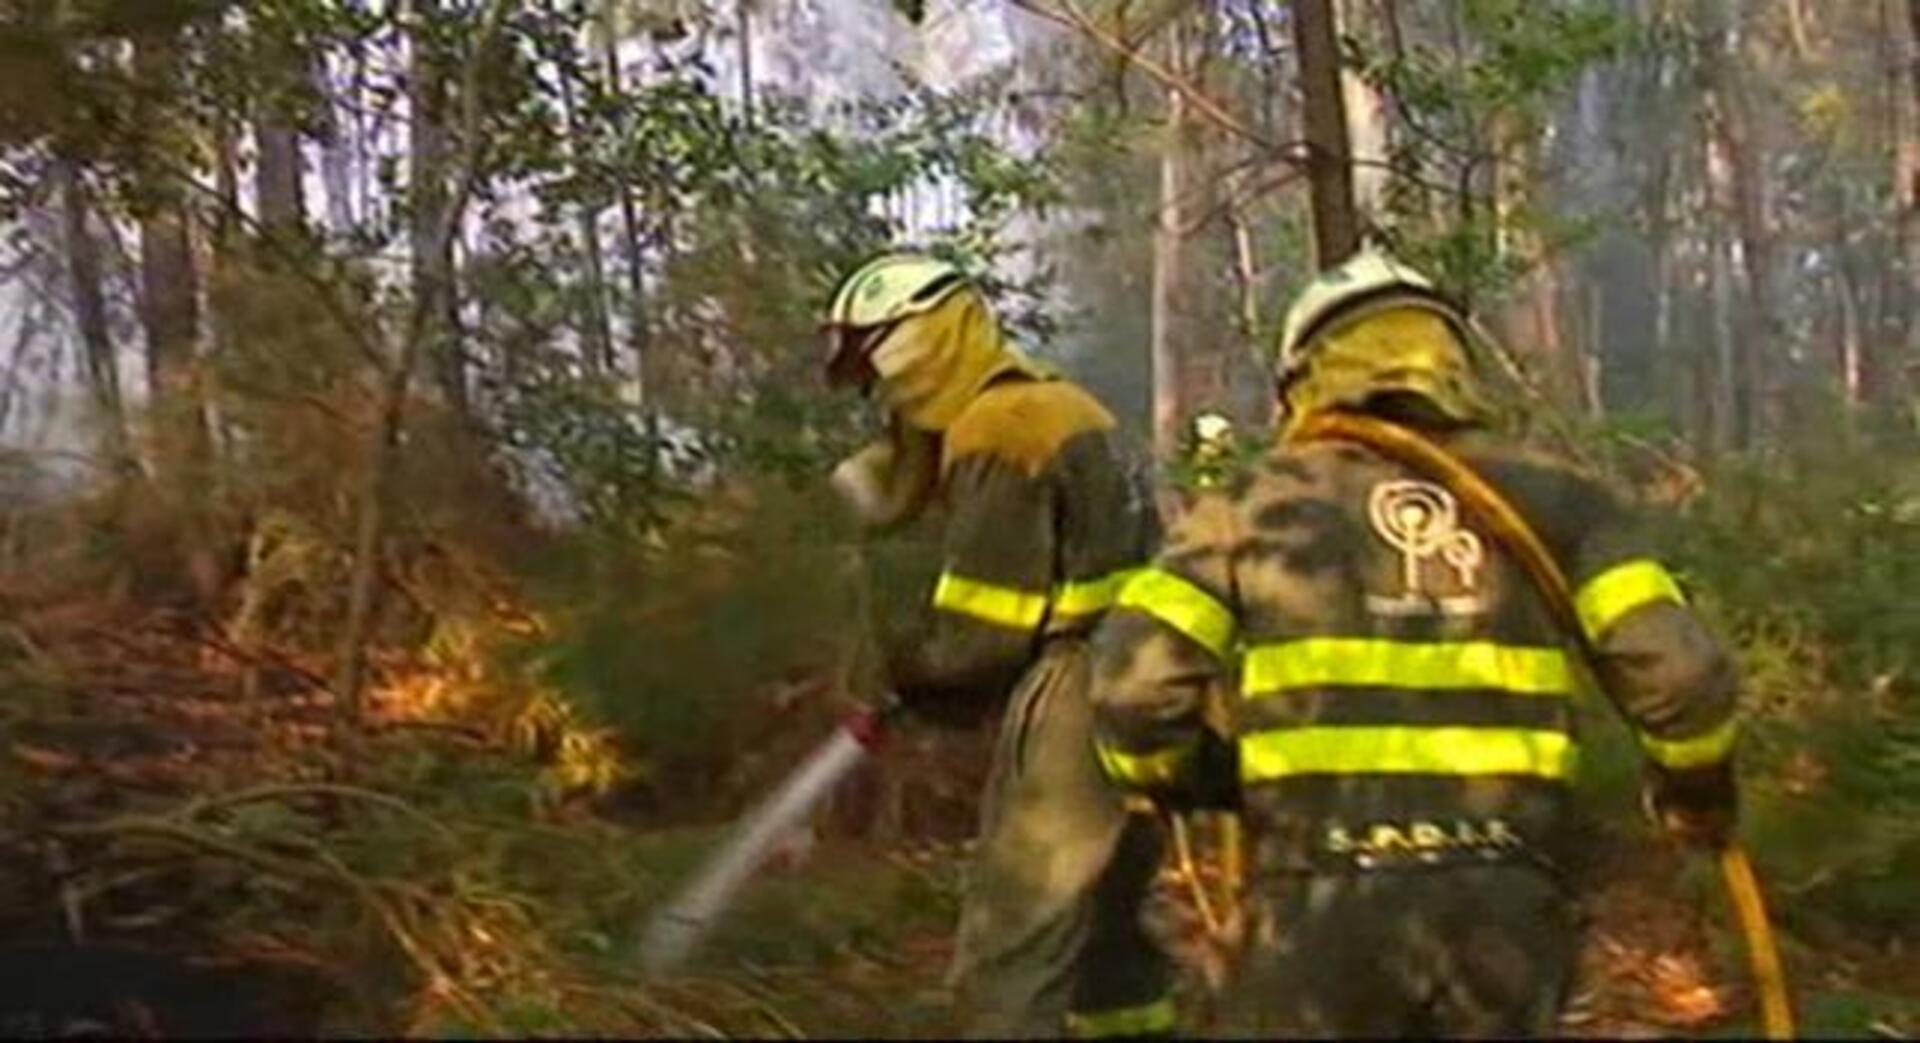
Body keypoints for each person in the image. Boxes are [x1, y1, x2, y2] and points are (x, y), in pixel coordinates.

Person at [1086, 248, 1742, 1037]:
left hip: (1314, 910)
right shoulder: (1559, 498)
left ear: (1307, 375)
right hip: (1505, 910)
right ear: (1450, 360)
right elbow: (1684, 677)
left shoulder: (1253, 505)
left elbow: (1131, 692)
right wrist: (1695, 794)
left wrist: (1190, 777)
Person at [820, 251, 1173, 1038]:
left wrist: (908, 678)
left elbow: (981, 634)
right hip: (1151, 675)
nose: (878, 388)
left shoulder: (998, 425)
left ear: (919, 339)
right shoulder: (1057, 405)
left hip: (1079, 688)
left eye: (873, 358)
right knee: (1111, 932)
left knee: (1013, 940)